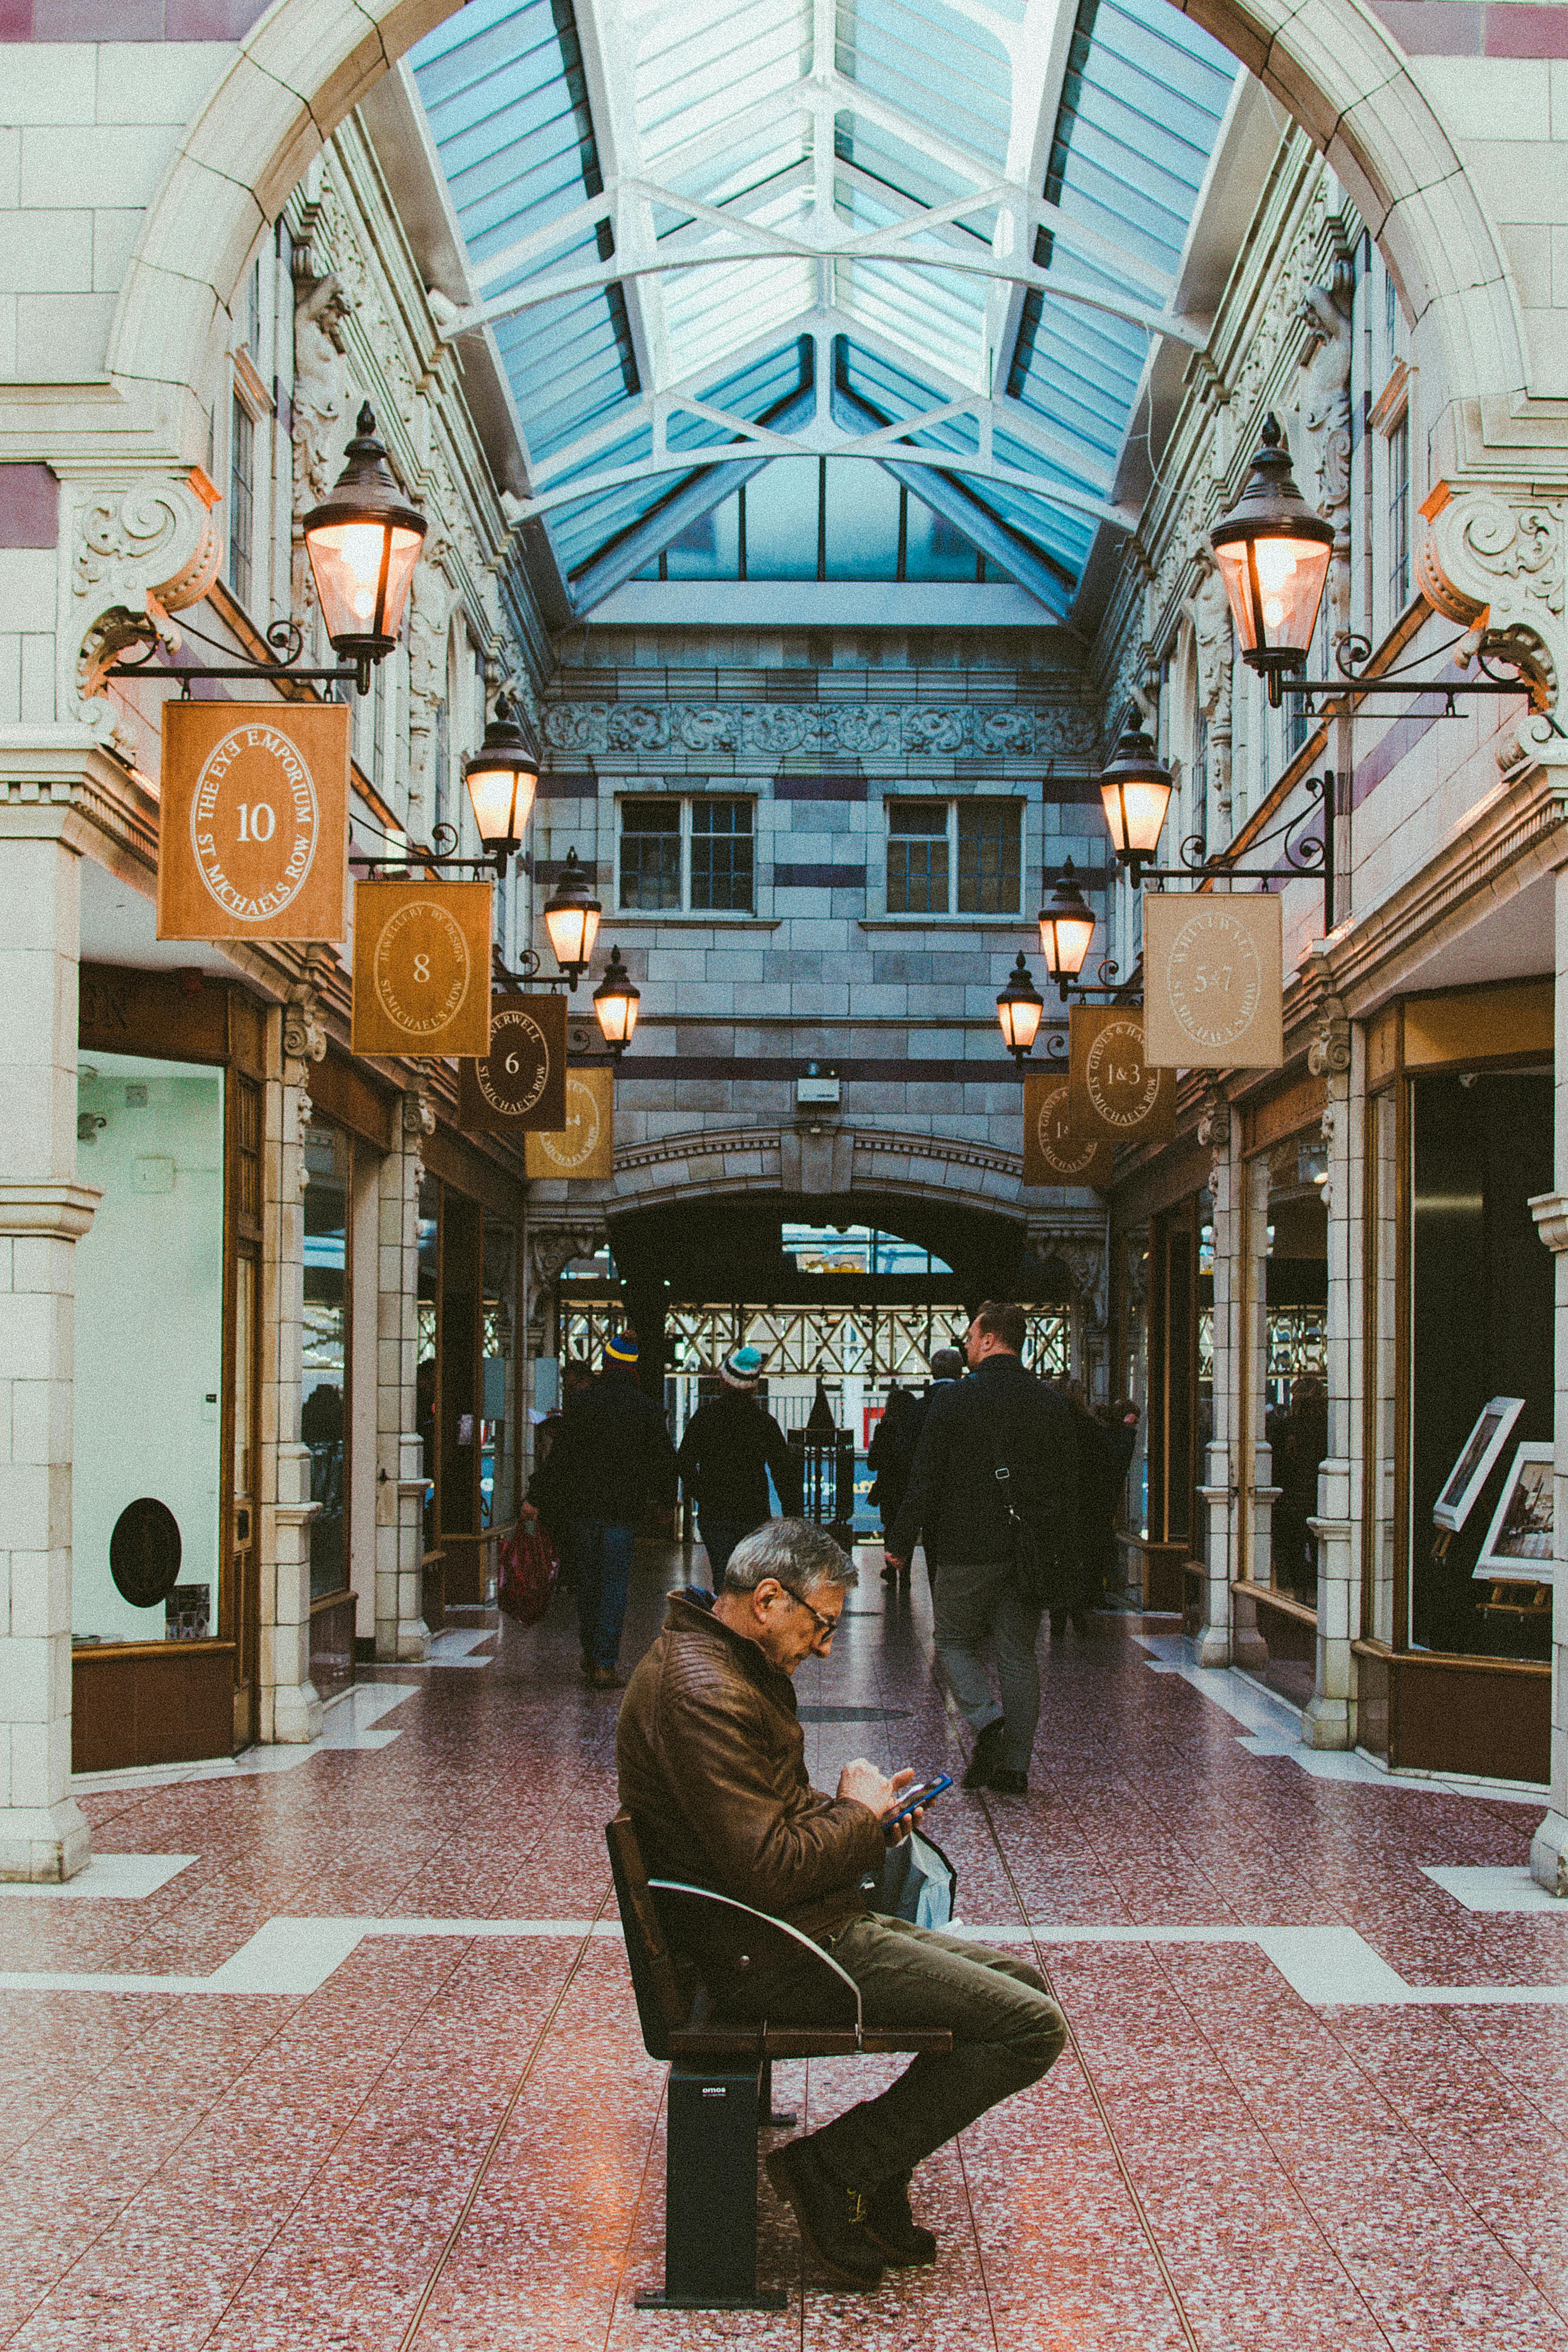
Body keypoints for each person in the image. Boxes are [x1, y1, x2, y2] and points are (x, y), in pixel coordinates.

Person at [616, 1519, 1067, 2292]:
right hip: (768, 1949)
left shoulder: (726, 1666)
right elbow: (767, 1865)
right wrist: (857, 1819)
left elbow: (767, 1833)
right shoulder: (705, 1690)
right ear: (766, 1598)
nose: (824, 1645)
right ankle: (836, 2167)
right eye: (819, 1623)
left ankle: (876, 2165)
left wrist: (860, 1812)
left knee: (1026, 1988)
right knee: (1030, 2027)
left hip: (786, 1925)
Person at [884, 1302, 1077, 1796]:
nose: (967, 1344)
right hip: (1027, 1549)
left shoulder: (953, 1402)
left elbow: (924, 1477)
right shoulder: (1050, 1403)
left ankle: (987, 1722)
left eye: (971, 1335)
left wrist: (901, 1542)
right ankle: (1014, 1769)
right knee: (1017, 1654)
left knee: (951, 1641)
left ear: (990, 1339)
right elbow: (1069, 1481)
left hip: (967, 1546)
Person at [524, 1331, 677, 1688]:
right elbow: (664, 1461)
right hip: (624, 1511)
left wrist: (536, 1496)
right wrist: (665, 1503)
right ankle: (606, 1661)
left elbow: (560, 1459)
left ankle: (592, 1652)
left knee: (589, 1583)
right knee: (614, 1585)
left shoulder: (582, 1405)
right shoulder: (648, 1409)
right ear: (633, 1368)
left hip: (584, 1509)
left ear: (606, 1365)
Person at [676, 1345, 802, 1583]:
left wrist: (703, 1493)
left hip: (715, 1513)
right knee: (750, 1580)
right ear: (754, 1387)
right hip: (753, 1513)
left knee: (723, 1578)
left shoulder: (706, 1417)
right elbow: (784, 1472)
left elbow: (684, 1462)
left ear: (724, 1381)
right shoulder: (764, 1423)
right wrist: (793, 1517)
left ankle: (723, 1618)